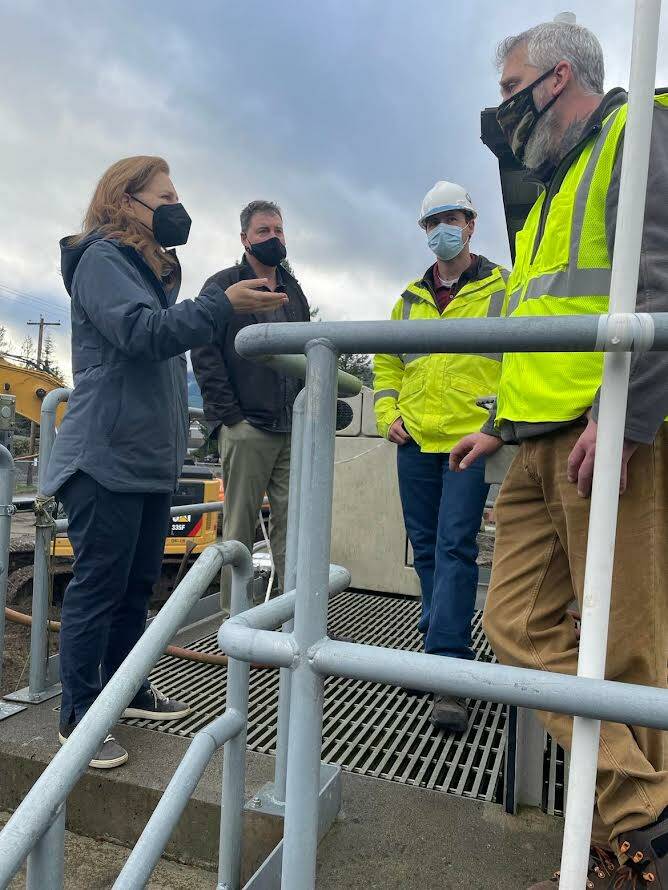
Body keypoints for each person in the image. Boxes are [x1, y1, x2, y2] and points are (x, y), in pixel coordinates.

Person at [450, 22, 668, 888]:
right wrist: (499, 424)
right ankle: (645, 822)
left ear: (557, 78)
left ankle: (627, 854)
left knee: (626, 652)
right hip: (541, 442)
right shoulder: (549, 187)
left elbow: (658, 287)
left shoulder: (635, 136)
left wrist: (630, 419)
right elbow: (541, 333)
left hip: (602, 433)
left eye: (509, 87)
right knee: (513, 625)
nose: (502, 108)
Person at [43, 157, 287, 769]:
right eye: (165, 194)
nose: (176, 205)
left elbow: (159, 331)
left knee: (134, 588)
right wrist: (221, 304)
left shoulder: (148, 273)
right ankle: (79, 713)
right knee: (98, 587)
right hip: (105, 455)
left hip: (146, 459)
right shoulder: (100, 260)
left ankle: (125, 691)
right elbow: (142, 334)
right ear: (127, 201)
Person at [373, 181, 508, 733]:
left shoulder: (504, 288)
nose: (441, 231)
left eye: (450, 218)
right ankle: (436, 643)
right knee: (426, 546)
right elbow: (387, 366)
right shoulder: (408, 299)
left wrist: (497, 424)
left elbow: (522, 361)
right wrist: (388, 416)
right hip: (417, 442)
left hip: (468, 441)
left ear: (471, 223)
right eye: (431, 223)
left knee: (454, 546)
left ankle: (450, 670)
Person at [191, 200, 310, 600]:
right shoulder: (222, 285)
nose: (273, 238)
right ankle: (233, 621)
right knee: (238, 530)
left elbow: (304, 356)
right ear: (244, 239)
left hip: (289, 427)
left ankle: (290, 619)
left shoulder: (293, 293)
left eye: (278, 230)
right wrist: (230, 418)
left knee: (292, 527)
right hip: (246, 427)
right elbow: (204, 353)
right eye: (264, 231)